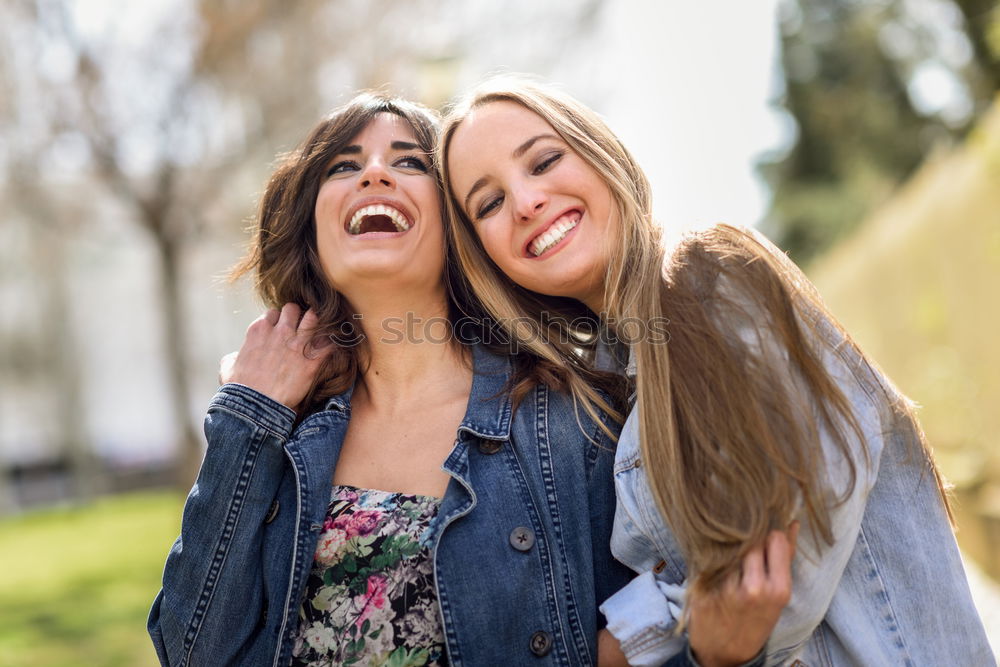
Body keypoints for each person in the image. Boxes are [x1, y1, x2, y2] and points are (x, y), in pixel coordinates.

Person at [146, 91, 790, 667]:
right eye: (344, 166)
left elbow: (658, 631)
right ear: (312, 235)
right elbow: (191, 650)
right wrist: (247, 416)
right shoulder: (278, 434)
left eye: (409, 162)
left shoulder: (572, 419)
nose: (374, 172)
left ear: (460, 229)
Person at [440, 76, 996, 666]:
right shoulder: (615, 382)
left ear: (599, 154)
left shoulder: (705, 278)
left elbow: (773, 574)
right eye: (490, 203)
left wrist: (627, 644)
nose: (526, 202)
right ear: (487, 259)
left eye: (545, 160)